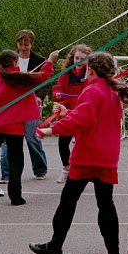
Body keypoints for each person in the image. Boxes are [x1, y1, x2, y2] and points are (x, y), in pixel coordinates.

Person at [30, 52, 128, 254]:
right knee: (105, 204)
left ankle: (55, 245)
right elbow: (89, 115)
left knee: (68, 200)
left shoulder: (92, 90)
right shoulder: (111, 91)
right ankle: (113, 253)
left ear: (91, 69)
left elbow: (84, 118)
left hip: (88, 155)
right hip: (107, 156)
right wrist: (67, 112)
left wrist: (51, 129)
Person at [0, 49, 58, 205]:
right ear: (15, 63)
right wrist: (49, 60)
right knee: (16, 159)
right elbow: (43, 77)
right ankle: (15, 196)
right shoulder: (19, 79)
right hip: (14, 125)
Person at [0, 29, 50, 185]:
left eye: (26, 45)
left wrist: (39, 97)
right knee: (7, 140)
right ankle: (6, 174)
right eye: (20, 44)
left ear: (31, 44)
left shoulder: (40, 61)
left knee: (31, 137)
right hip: (12, 106)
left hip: (31, 105)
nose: (23, 48)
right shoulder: (8, 60)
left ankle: (40, 169)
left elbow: (45, 81)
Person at [51, 44, 92, 184]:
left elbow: (90, 93)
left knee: (84, 144)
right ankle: (66, 168)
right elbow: (59, 93)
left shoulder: (90, 74)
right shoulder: (65, 74)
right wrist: (58, 97)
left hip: (83, 113)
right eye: (77, 58)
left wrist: (86, 77)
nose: (79, 61)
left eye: (83, 59)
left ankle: (84, 171)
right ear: (72, 58)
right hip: (67, 113)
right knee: (63, 143)